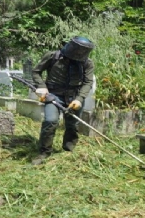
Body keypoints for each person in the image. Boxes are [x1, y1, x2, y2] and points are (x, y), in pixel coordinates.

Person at [31, 36, 96, 165]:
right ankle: (44, 152)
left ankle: (69, 149)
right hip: (54, 95)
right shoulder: (52, 57)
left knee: (72, 125)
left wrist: (79, 99)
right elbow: (36, 72)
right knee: (50, 121)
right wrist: (42, 87)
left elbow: (88, 82)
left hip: (75, 96)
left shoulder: (87, 63)